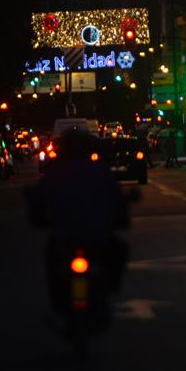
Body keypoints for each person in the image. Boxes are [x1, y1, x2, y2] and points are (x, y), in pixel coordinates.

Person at [28, 129, 130, 310]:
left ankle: (59, 300)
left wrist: (39, 217)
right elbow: (117, 199)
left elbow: (38, 201)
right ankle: (109, 290)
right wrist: (120, 218)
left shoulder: (56, 172)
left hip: (66, 237)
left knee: (52, 262)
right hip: (96, 236)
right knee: (119, 250)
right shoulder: (98, 170)